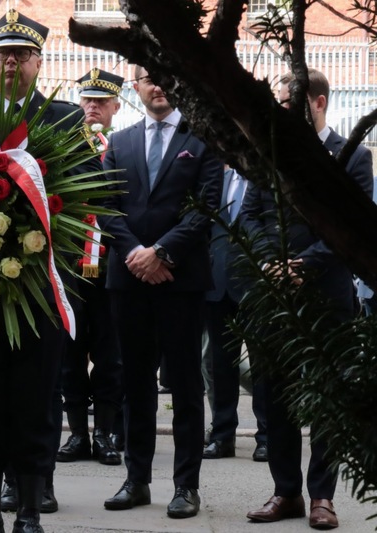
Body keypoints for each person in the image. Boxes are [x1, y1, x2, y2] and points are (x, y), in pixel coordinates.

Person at [0, 10, 101, 533]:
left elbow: (87, 197)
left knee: (38, 399)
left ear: (39, 62)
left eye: (21, 54)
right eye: (2, 54)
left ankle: (32, 511)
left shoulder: (61, 118)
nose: (11, 62)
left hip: (40, 284)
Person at [243, 69, 372, 530]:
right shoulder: (269, 153)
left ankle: (322, 497)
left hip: (327, 295)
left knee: (326, 398)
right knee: (274, 397)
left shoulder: (352, 156)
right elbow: (250, 214)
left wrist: (301, 265)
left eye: (287, 103)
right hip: (274, 294)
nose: (279, 112)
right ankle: (285, 493)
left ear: (317, 103)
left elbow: (349, 223)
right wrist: (270, 262)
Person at [99, 65, 222, 519]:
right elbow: (105, 205)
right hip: (128, 280)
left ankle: (186, 486)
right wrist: (136, 254)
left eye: (168, 76)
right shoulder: (121, 141)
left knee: (187, 385)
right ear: (136, 87)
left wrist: (162, 254)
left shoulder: (201, 140)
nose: (159, 85)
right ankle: (137, 479)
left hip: (180, 281)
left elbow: (207, 206)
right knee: (135, 383)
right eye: (149, 77)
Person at [56, 67, 125, 467]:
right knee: (69, 354)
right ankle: (78, 432)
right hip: (69, 265)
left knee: (110, 355)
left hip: (111, 265)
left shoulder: (124, 146)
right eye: (87, 100)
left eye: (101, 101)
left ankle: (106, 434)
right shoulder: (64, 147)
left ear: (116, 106)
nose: (93, 107)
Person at [202, 166, 268, 462]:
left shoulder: (266, 177)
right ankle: (222, 436)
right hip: (218, 285)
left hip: (258, 283)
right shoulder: (218, 180)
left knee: (263, 365)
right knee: (220, 365)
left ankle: (266, 436)